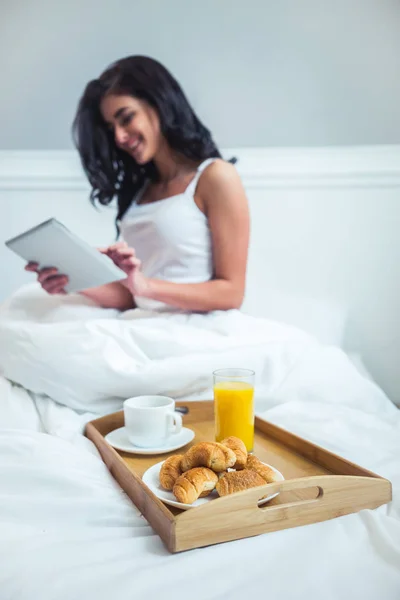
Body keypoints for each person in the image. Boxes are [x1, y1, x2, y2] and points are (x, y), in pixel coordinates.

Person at [26, 56, 250, 313]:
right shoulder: (140, 190)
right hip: (143, 321)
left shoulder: (216, 177)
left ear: (159, 105)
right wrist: (72, 279)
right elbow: (132, 296)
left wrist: (147, 287)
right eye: (111, 128)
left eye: (126, 118)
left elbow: (231, 293)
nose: (119, 137)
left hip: (195, 328)